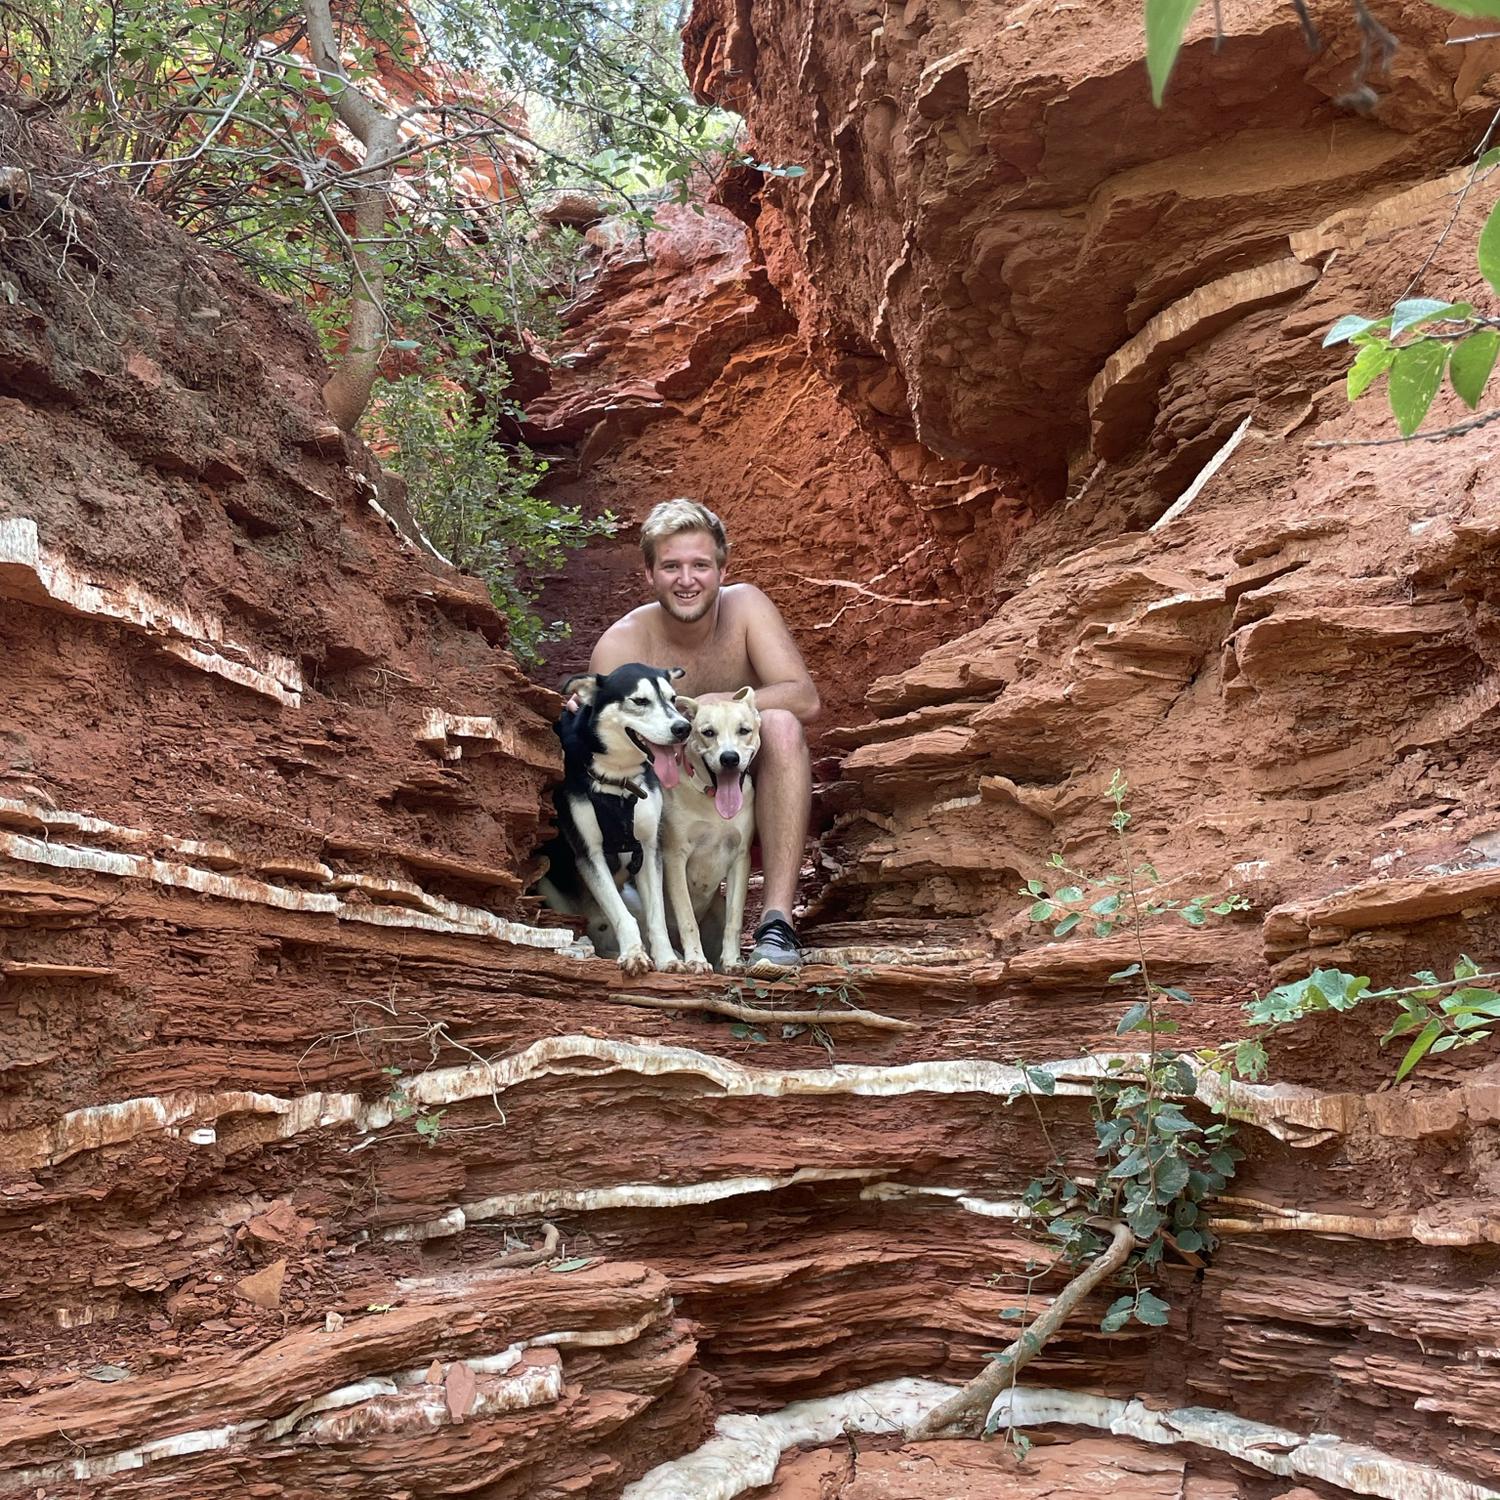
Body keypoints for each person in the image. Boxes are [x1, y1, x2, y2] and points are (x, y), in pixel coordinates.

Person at [588, 498, 820, 976]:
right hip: (669, 790)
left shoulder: (747, 606)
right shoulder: (622, 643)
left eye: (700, 565)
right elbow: (604, 746)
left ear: (723, 568)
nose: (687, 579)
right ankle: (642, 919)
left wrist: (715, 697)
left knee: (780, 723)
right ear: (649, 574)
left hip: (742, 771)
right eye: (671, 566)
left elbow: (804, 698)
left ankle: (776, 922)